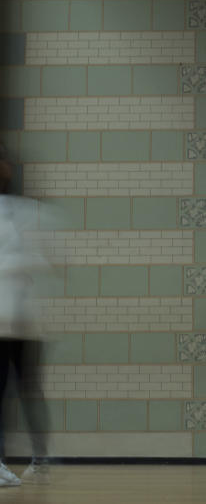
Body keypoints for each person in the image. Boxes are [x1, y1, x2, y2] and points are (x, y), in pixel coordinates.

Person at [0, 155, 50, 486]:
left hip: (22, 322)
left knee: (29, 388)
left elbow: (42, 259)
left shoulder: (23, 211)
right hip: (3, 321)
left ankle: (41, 458)